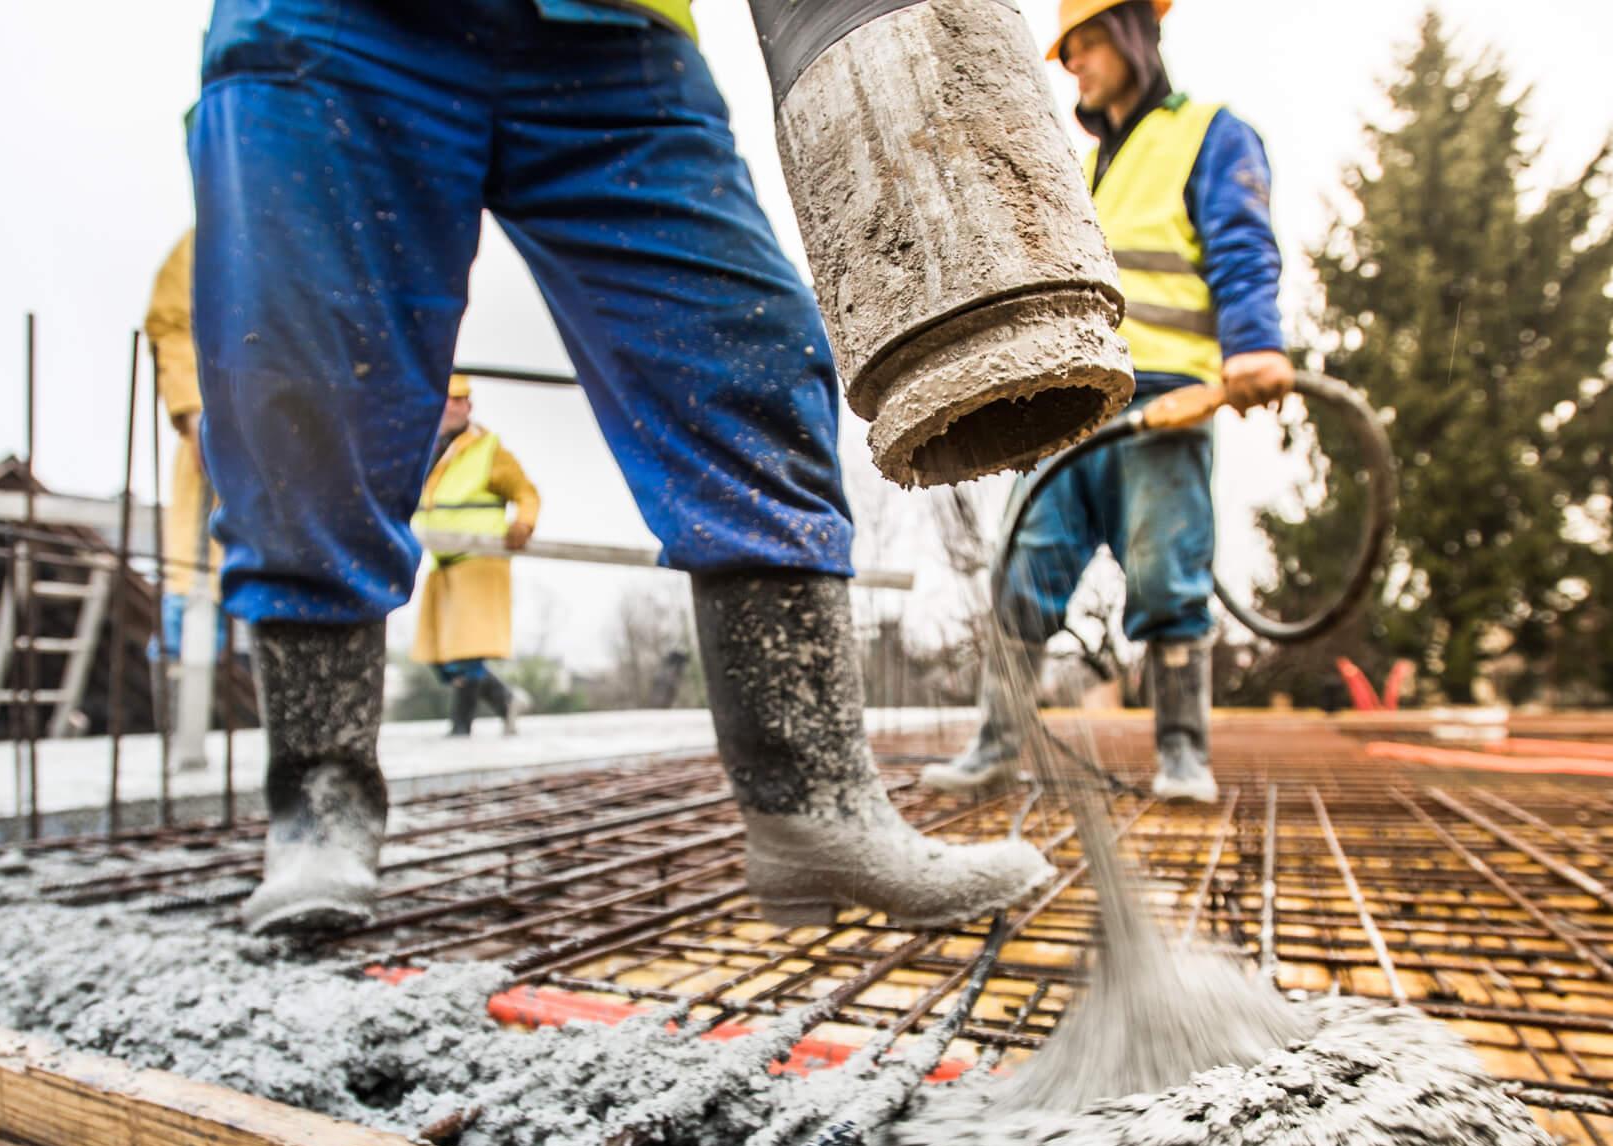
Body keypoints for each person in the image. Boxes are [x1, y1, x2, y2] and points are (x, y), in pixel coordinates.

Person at [190, 0, 1055, 938]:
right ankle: (320, 806)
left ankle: (813, 806)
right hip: (338, 26)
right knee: (309, 392)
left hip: (613, 34)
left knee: (748, 355)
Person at [921, 0, 1290, 805]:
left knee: (1166, 574)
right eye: (1068, 52)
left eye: (1085, 45)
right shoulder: (1084, 169)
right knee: (1024, 569)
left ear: (1130, 36)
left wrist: (1254, 344)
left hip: (1167, 399)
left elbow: (1241, 246)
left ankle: (1183, 755)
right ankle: (994, 748)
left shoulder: (1209, 132)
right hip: (1071, 400)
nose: (1076, 65)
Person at [409, 375, 539, 737]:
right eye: (446, 399)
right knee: (440, 658)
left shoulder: (487, 449)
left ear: (469, 406)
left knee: (466, 654)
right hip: (441, 561)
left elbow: (526, 493)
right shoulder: (427, 450)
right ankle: (506, 699)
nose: (452, 406)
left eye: (459, 399)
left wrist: (524, 524)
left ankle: (460, 731)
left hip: (479, 558)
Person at [141, 228, 224, 668]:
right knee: (194, 583)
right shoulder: (210, 238)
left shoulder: (331, 228)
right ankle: (180, 716)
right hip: (224, 429)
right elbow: (172, 325)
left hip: (309, 436)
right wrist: (193, 411)